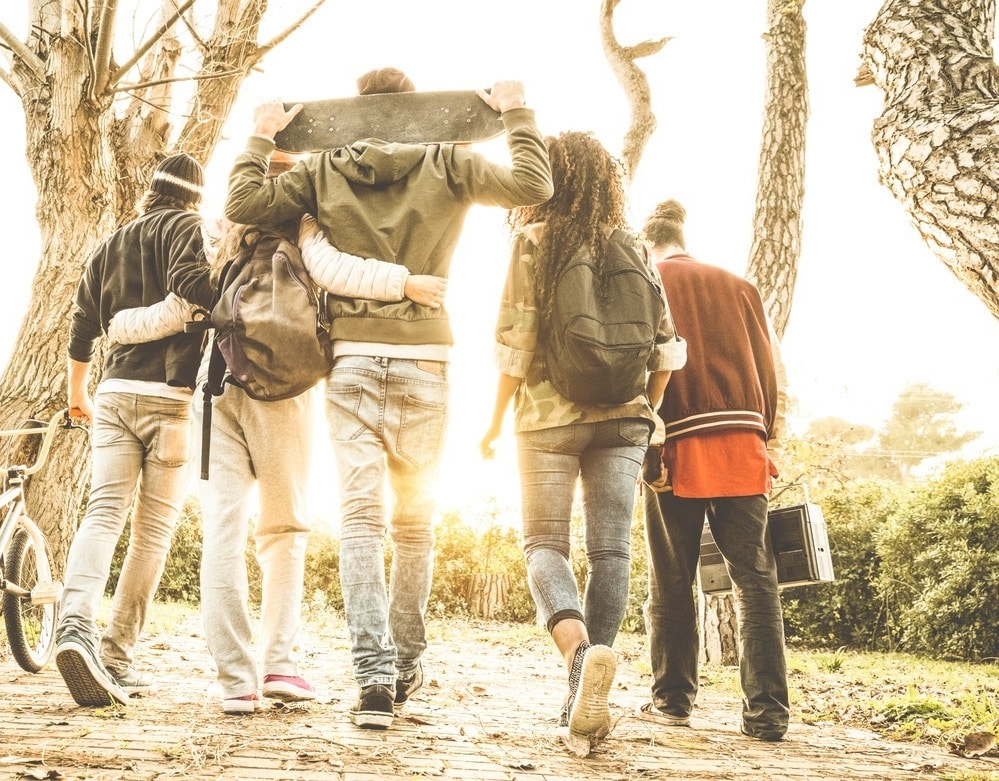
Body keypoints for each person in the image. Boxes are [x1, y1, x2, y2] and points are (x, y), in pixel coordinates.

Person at [224, 67, 553, 730]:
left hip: (349, 357)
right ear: (414, 107)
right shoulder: (452, 163)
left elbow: (242, 205)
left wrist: (260, 137)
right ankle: (403, 667)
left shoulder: (320, 174)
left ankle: (372, 680)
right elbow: (533, 185)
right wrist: (516, 113)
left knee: (360, 522)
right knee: (413, 524)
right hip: (425, 358)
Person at [111, 152, 446, 716]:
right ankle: (279, 665)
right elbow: (336, 270)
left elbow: (178, 303)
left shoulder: (221, 232)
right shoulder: (306, 224)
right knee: (285, 528)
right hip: (284, 393)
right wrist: (405, 284)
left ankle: (236, 681)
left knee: (223, 527)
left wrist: (117, 325)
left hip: (216, 383)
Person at [477, 132, 686, 756]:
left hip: (547, 415)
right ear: (606, 181)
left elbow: (515, 340)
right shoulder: (633, 245)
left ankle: (577, 660)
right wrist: (648, 407)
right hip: (624, 417)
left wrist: (492, 420)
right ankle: (591, 683)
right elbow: (668, 345)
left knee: (544, 543)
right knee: (612, 550)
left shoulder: (534, 240)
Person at [54, 152, 219, 708]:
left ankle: (72, 625)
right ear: (196, 195)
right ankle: (118, 655)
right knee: (151, 533)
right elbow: (193, 291)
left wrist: (78, 391)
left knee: (101, 513)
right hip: (170, 398)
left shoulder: (110, 243)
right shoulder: (189, 228)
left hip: (113, 393)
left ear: (151, 189)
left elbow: (82, 323)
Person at [635, 199, 790, 742]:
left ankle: (673, 700)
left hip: (675, 446)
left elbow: (642, 365)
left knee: (671, 579)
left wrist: (643, 452)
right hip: (743, 443)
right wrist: (764, 437)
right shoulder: (740, 286)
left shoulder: (646, 280)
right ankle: (768, 712)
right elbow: (771, 371)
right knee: (757, 581)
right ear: (682, 234)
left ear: (646, 241)